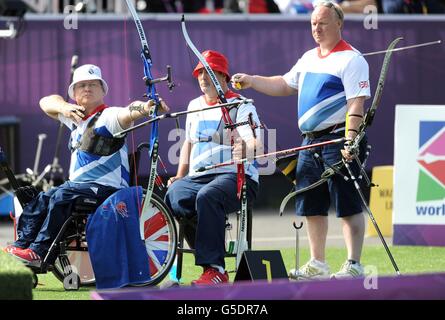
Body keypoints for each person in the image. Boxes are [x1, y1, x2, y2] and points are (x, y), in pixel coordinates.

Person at [231, 1, 370, 279]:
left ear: (339, 24)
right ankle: (318, 264)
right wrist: (252, 80)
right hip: (310, 143)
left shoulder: (352, 60)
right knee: (311, 204)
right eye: (313, 24)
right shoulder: (308, 58)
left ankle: (354, 264)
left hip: (338, 141)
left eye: (323, 23)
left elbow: (356, 105)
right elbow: (284, 84)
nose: (316, 28)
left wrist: (351, 139)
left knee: (347, 204)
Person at [2, 64, 169, 266]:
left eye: (92, 85)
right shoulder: (74, 118)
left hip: (105, 189)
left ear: (102, 90)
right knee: (41, 199)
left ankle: (39, 252)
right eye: (81, 85)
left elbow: (129, 111)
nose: (87, 89)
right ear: (74, 93)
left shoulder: (110, 117)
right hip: (78, 188)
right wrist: (64, 107)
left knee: (61, 196)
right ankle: (23, 245)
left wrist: (146, 107)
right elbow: (45, 102)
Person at [165, 50, 262, 285]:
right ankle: (210, 263)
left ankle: (215, 268)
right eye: (199, 73)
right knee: (175, 196)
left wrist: (246, 150)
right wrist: (179, 176)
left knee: (207, 197)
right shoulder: (193, 105)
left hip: (236, 177)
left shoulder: (240, 104)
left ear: (223, 76)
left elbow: (255, 142)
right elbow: (188, 142)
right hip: (200, 176)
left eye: (208, 72)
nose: (202, 77)